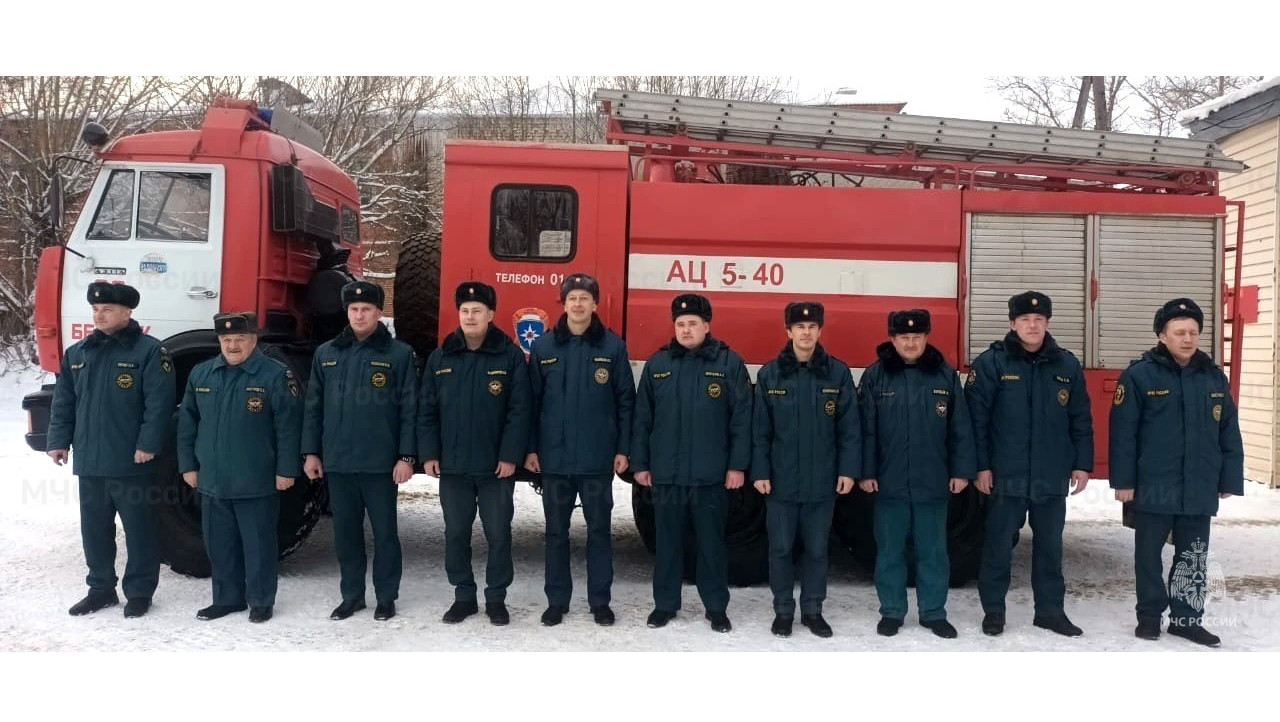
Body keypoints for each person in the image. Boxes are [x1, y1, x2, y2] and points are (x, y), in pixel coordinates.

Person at [1109, 297, 1243, 647]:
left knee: (1194, 556)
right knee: (1148, 557)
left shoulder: (1214, 378)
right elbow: (1123, 433)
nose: (1187, 339)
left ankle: (1186, 620)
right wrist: (1123, 482)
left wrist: (1229, 477)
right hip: (1155, 484)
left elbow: (1228, 429)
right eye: (1179, 332)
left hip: (1199, 485)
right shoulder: (1139, 375)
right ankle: (1150, 618)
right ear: (1162, 335)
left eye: (1193, 332)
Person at [966, 291, 1093, 637]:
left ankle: (1050, 612)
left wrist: (1082, 463)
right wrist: (981, 466)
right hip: (1005, 475)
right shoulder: (991, 364)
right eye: (1025, 320)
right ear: (1013, 324)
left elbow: (1080, 417)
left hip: (1051, 476)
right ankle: (994, 611)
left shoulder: (1066, 365)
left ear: (1047, 323)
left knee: (1050, 548)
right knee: (997, 547)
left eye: (1038, 320)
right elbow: (976, 420)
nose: (1032, 325)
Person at [47, 281, 174, 618]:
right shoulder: (78, 354)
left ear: (127, 312)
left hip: (132, 463)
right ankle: (100, 590)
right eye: (95, 310)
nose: (99, 315)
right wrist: (58, 440)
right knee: (95, 533)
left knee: (140, 532)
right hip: (90, 462)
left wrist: (148, 445)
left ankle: (139, 592)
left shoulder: (148, 351)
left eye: (107, 310)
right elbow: (64, 402)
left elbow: (159, 405)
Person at [632, 293, 751, 633]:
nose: (686, 330)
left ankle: (716, 608)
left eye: (693, 324)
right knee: (667, 545)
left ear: (706, 326)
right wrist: (641, 464)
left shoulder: (728, 364)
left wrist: (736, 466)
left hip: (710, 476)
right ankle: (665, 606)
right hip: (667, 476)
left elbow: (742, 420)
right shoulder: (658, 365)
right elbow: (643, 419)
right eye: (680, 324)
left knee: (711, 546)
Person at [418, 282, 531, 626]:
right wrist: (429, 453)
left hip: (495, 468)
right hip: (452, 467)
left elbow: (520, 409)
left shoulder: (509, 355)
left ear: (490, 315)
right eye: (465, 311)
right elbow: (427, 410)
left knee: (498, 534)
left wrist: (510, 455)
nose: (470, 316)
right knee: (456, 534)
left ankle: (496, 598)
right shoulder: (442, 356)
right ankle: (463, 596)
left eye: (477, 311)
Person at [302, 280, 416, 622]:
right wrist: (311, 452)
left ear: (379, 313)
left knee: (384, 535)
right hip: (338, 463)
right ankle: (351, 596)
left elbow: (410, 409)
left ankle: (386, 597)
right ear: (346, 312)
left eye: (367, 309)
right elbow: (313, 407)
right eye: (354, 309)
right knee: (346, 536)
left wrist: (406, 456)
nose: (360, 315)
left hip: (381, 465)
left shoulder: (398, 355)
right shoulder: (327, 354)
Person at [858, 309, 975, 638]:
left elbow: (960, 428)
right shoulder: (876, 376)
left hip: (932, 481)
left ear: (926, 338)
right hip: (889, 481)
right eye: (904, 338)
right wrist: (866, 472)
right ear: (893, 339)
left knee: (934, 552)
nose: (910, 343)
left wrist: (961, 470)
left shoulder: (944, 376)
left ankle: (934, 612)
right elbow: (865, 430)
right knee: (890, 552)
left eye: (917, 337)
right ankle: (892, 612)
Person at [178, 312, 302, 623]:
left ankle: (260, 601)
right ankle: (227, 599)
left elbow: (288, 427)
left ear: (253, 340)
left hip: (256, 478)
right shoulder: (202, 374)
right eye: (226, 340)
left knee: (258, 545)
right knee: (219, 545)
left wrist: (287, 469)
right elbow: (187, 424)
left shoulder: (274, 375)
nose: (233, 345)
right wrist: (188, 465)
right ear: (219, 341)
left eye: (240, 339)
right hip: (213, 479)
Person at [526, 274, 634, 627]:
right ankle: (557, 601)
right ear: (564, 303)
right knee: (556, 533)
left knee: (599, 532)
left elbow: (625, 404)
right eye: (571, 298)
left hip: (596, 460)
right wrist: (531, 449)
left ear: (594, 304)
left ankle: (600, 602)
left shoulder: (612, 348)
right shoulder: (543, 348)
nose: (577, 304)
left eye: (584, 298)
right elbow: (530, 403)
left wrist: (622, 448)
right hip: (555, 460)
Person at [752, 301, 858, 638]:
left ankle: (813, 611)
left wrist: (847, 470)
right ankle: (783, 611)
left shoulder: (837, 374)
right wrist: (760, 471)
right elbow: (760, 431)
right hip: (781, 483)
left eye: (812, 327)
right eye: (799, 327)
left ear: (820, 331)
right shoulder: (770, 375)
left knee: (816, 551)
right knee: (781, 549)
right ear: (788, 331)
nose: (806, 332)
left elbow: (849, 429)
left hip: (821, 482)